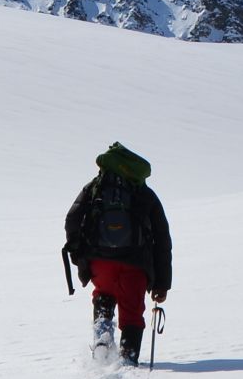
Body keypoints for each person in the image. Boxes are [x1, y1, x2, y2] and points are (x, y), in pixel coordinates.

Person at [64, 142, 172, 364]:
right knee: (132, 311)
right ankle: (127, 358)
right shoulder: (145, 193)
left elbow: (72, 220)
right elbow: (162, 239)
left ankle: (102, 341)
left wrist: (80, 256)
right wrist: (162, 283)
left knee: (103, 296)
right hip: (135, 263)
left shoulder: (95, 188)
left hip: (99, 261)